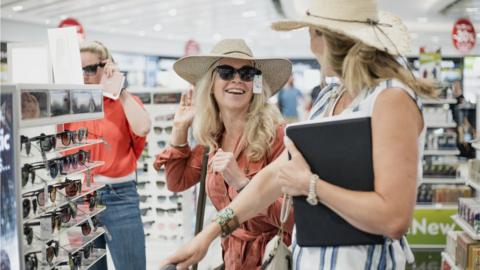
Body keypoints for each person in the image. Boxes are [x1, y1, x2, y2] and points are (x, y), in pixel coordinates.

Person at [160, 0, 436, 269]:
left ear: (324, 37)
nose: (310, 45)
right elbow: (273, 178)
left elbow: (394, 218)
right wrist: (208, 235)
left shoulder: (389, 98)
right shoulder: (330, 97)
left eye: (311, 33)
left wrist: (311, 186)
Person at [153, 39, 294, 269]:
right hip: (231, 260)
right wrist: (179, 129)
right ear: (211, 84)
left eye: (247, 73)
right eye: (226, 72)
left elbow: (292, 219)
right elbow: (177, 182)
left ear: (255, 83)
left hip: (270, 260)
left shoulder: (276, 137)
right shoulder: (212, 140)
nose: (237, 79)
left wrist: (242, 183)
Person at [65, 40, 151, 270]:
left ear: (107, 66)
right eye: (79, 69)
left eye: (90, 69)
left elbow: (143, 127)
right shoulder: (67, 104)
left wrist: (119, 89)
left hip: (119, 196)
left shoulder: (123, 102)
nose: (84, 76)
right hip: (78, 200)